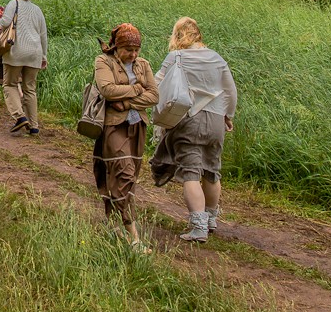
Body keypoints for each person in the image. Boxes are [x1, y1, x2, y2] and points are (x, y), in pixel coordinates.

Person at [150, 16, 237, 243]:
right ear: (198, 33)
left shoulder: (176, 56)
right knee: (211, 170)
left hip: (189, 120)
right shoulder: (217, 58)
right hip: (217, 120)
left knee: (191, 172)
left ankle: (198, 226)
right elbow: (230, 91)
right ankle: (211, 219)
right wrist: (228, 116)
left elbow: (156, 83)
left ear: (177, 35)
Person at [93, 23, 160, 253]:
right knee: (124, 172)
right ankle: (134, 238)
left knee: (127, 179)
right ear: (117, 46)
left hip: (137, 126)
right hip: (113, 126)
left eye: (136, 49)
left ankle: (112, 225)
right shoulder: (104, 61)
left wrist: (127, 102)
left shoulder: (144, 65)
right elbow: (107, 90)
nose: (133, 54)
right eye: (128, 49)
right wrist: (136, 89)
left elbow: (154, 95)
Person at [0, 0, 49, 135]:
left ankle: (20, 116)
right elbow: (43, 35)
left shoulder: (14, 4)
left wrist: (2, 22)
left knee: (9, 84)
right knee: (30, 88)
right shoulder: (37, 10)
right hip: (35, 52)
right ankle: (34, 126)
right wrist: (44, 56)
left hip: (16, 51)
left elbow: (5, 23)